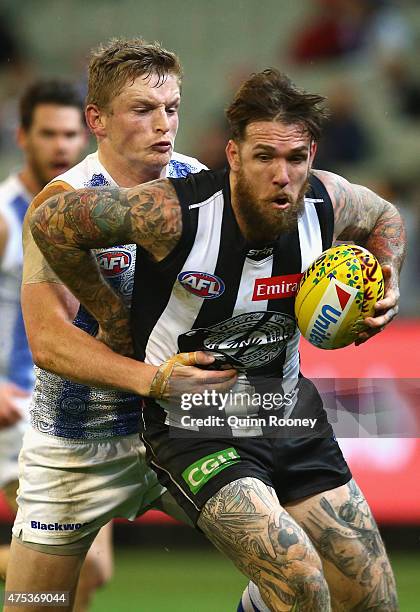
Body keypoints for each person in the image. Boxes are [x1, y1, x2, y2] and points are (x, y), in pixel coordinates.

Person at [28, 69, 405, 611]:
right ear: (232, 154)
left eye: (296, 159)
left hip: (285, 411)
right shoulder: (172, 212)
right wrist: (109, 314)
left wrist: (386, 279)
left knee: (372, 597)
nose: (282, 175)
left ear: (312, 155)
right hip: (194, 424)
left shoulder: (328, 201)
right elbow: (51, 222)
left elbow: (385, 217)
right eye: (264, 157)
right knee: (299, 579)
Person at [4, 38, 208, 612]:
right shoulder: (63, 204)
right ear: (97, 119)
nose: (163, 125)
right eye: (143, 110)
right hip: (77, 445)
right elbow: (49, 341)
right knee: (37, 601)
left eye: (171, 108)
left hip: (182, 434)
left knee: (294, 566)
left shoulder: (200, 186)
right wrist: (153, 378)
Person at [0, 79, 87, 580]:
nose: (61, 146)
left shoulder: (88, 212)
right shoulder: (7, 218)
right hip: (18, 408)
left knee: (88, 573)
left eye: (70, 134)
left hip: (74, 406)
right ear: (23, 138)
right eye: (49, 134)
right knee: (71, 560)